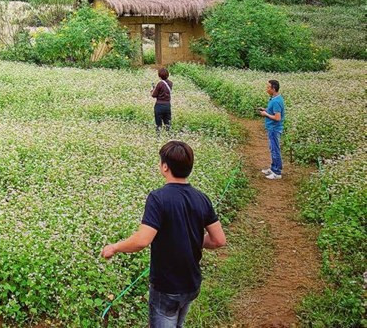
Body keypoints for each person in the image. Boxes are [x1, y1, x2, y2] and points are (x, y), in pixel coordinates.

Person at [101, 141, 226, 328]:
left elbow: (142, 240)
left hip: (167, 287)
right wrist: (189, 239)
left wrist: (114, 247)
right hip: (191, 284)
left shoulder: (158, 198)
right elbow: (218, 240)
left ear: (165, 166)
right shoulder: (202, 198)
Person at [257, 79, 285, 180]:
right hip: (272, 128)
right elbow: (273, 112)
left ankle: (277, 172)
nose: (266, 89)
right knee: (273, 149)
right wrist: (265, 110)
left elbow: (278, 118)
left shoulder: (276, 101)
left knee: (275, 150)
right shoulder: (274, 99)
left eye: (268, 87)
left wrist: (265, 114)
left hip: (274, 129)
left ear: (273, 89)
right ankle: (273, 168)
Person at [151, 67, 173, 132]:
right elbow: (165, 91)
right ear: (167, 75)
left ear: (159, 75)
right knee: (167, 123)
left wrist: (152, 90)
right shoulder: (170, 83)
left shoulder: (160, 83)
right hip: (167, 105)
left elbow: (154, 95)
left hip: (159, 106)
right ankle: (168, 135)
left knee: (158, 124)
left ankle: (158, 137)